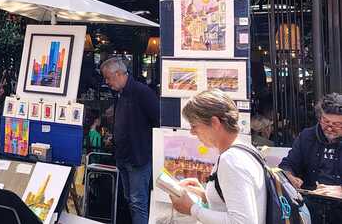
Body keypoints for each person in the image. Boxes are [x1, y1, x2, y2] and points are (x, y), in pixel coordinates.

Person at [170, 90, 266, 224]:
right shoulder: (245, 150)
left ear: (214, 123)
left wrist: (192, 209)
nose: (192, 132)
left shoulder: (231, 160)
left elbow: (243, 221)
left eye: (194, 126)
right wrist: (207, 196)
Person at [101, 57, 159, 224]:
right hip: (124, 156)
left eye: (108, 78)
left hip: (138, 157)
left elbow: (158, 120)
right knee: (130, 199)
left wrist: (144, 143)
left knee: (138, 202)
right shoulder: (121, 93)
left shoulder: (142, 92)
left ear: (119, 74)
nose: (106, 82)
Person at [279, 93, 342, 219]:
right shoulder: (307, 136)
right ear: (319, 118)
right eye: (326, 121)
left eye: (337, 124)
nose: (330, 128)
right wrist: (289, 177)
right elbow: (288, 164)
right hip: (310, 206)